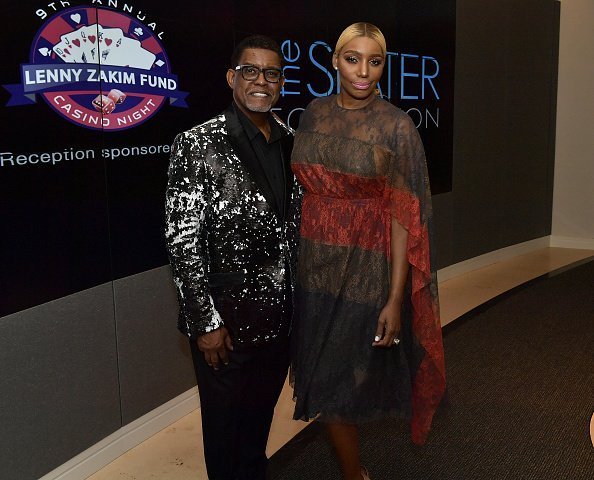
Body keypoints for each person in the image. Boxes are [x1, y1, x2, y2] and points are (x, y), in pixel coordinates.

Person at [290, 22, 446, 480]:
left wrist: (395, 298)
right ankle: (353, 472)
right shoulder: (313, 114)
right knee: (321, 374)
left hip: (367, 268)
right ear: (334, 60)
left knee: (344, 378)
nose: (363, 72)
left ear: (383, 66)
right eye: (352, 59)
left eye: (374, 61)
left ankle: (353, 474)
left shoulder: (396, 125)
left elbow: (404, 220)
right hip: (314, 266)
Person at [165, 35, 301, 480]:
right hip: (225, 328)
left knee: (257, 430)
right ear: (231, 77)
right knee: (224, 438)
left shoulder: (290, 140)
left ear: (281, 80)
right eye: (250, 71)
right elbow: (182, 242)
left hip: (280, 322)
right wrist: (205, 323)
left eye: (271, 73)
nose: (261, 81)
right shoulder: (196, 144)